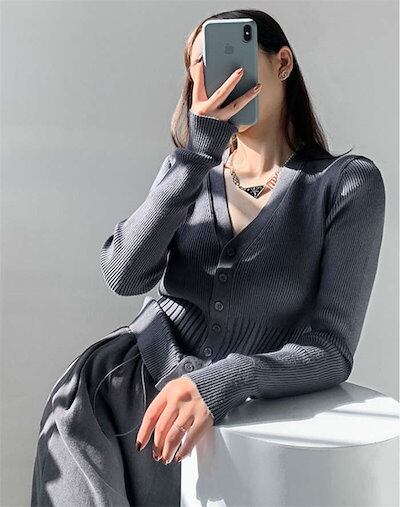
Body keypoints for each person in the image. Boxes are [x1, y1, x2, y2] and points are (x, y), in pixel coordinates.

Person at [30, 8, 386, 507]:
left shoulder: (346, 185)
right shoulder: (190, 173)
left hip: (223, 425)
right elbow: (122, 274)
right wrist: (195, 157)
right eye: (199, 66)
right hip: (109, 400)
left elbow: (332, 349)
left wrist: (224, 381)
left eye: (228, 57)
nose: (214, 76)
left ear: (283, 63)